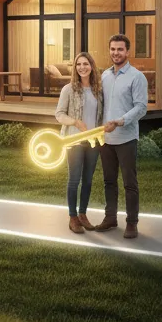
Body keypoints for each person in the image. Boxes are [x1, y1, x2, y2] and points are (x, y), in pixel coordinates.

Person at [94, 33, 148, 239]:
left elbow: (141, 107)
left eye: (120, 49)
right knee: (109, 181)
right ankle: (110, 218)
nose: (116, 53)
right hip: (105, 140)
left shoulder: (137, 77)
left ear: (128, 51)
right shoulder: (104, 76)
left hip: (126, 138)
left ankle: (132, 223)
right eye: (113, 49)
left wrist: (120, 121)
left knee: (129, 183)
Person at [54, 51, 104, 234]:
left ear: (92, 66)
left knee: (88, 180)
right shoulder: (68, 89)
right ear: (75, 68)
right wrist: (75, 122)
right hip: (74, 141)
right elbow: (59, 114)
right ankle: (73, 217)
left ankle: (83, 214)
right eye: (78, 64)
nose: (82, 67)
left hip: (92, 142)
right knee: (74, 179)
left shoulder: (98, 90)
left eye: (86, 64)